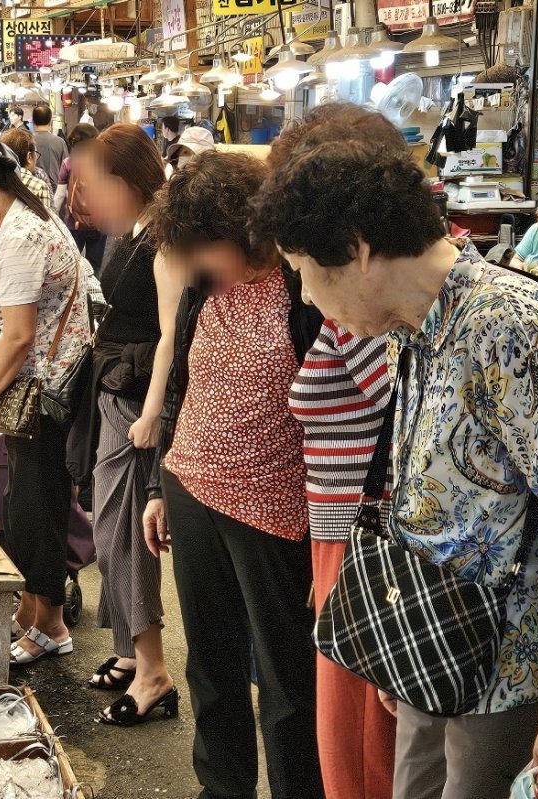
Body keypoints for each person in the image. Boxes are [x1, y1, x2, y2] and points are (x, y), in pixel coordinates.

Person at [253, 102, 538, 799]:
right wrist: (405, 643)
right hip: (436, 648)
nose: (308, 294)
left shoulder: (508, 322)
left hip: (504, 666)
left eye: (305, 269)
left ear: (357, 247)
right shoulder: (418, 324)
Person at [145, 151, 325, 799]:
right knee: (210, 663)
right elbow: (181, 386)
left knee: (286, 678)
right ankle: (220, 789)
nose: (196, 262)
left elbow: (337, 418)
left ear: (244, 232)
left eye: (205, 245)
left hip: (275, 508)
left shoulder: (304, 293)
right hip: (191, 488)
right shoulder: (204, 287)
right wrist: (155, 484)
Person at [265, 106, 397, 799]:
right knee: (349, 746)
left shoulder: (368, 311)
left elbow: (399, 433)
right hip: (341, 534)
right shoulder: (351, 302)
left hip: (365, 544)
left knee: (363, 751)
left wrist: (351, 560)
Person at [0, 136, 96, 668]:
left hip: (43, 391)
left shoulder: (23, 235)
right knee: (27, 503)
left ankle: (51, 623)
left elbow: (18, 335)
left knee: (40, 505)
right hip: (43, 387)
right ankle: (31, 613)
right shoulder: (27, 221)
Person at [69, 123, 176, 726]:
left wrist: (155, 414)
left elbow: (171, 337)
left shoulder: (163, 241)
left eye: (97, 185)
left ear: (127, 180)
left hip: (137, 405)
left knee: (128, 536)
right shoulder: (129, 233)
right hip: (115, 394)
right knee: (109, 531)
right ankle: (130, 654)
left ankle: (155, 670)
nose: (90, 200)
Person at [54, 123, 106, 271]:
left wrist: (53, 218)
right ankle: (93, 292)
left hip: (74, 222)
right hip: (100, 222)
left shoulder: (68, 163)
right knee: (94, 266)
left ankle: (77, 292)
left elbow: (59, 196)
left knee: (73, 266)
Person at [1, 128, 52, 193]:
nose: (36, 157)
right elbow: (50, 202)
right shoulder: (40, 180)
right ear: (29, 157)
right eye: (35, 153)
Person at [31, 104, 67, 186]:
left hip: (31, 188)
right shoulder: (60, 142)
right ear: (50, 122)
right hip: (54, 190)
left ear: (33, 121)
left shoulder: (26, 140)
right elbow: (66, 170)